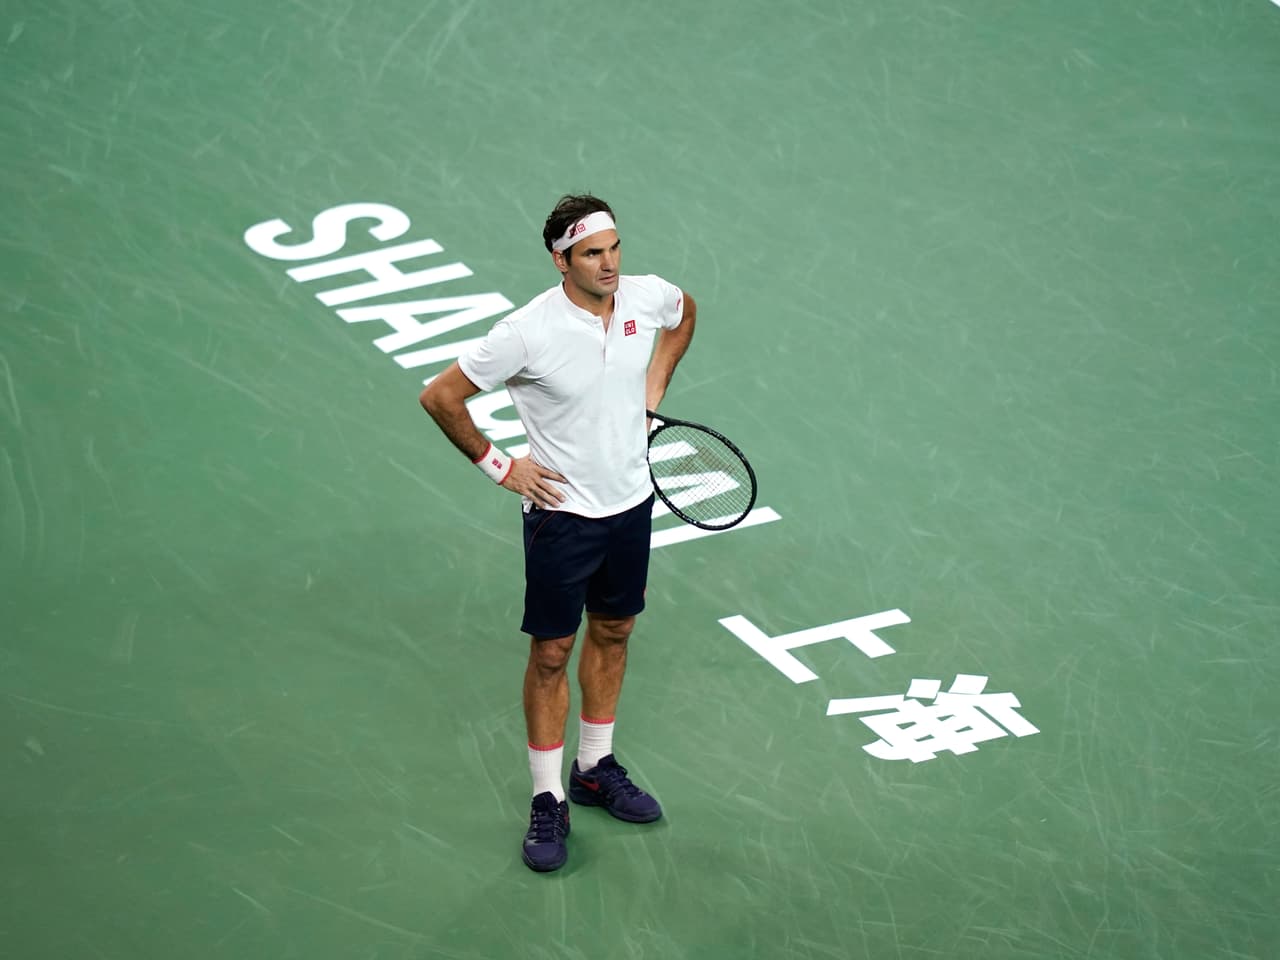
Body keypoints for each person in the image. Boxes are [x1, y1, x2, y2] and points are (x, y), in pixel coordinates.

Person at [419, 194, 697, 872]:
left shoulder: (643, 297)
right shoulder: (526, 332)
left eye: (614, 248)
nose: (608, 264)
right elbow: (441, 397)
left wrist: (653, 388)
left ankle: (594, 768)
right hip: (562, 515)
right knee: (551, 653)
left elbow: (684, 311)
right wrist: (500, 465)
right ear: (561, 260)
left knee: (614, 631)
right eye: (591, 254)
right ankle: (549, 799)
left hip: (631, 503)